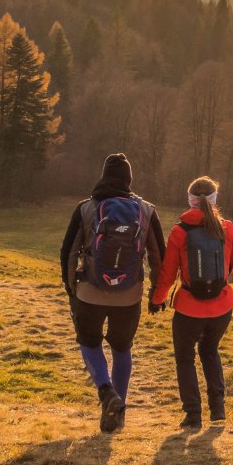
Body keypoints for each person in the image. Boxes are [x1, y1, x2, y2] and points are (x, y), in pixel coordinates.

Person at [60, 153, 164, 434]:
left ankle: (107, 394)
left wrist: (72, 288)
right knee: (122, 349)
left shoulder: (85, 208)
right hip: (129, 295)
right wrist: (157, 294)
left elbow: (68, 251)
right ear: (129, 180)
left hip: (89, 293)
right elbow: (158, 256)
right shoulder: (146, 210)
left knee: (89, 343)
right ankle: (118, 413)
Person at [151, 176, 233, 429]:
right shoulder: (227, 228)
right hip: (221, 308)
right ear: (215, 200)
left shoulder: (180, 231)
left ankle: (193, 415)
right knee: (210, 351)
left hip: (188, 309)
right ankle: (218, 410)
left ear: (190, 201)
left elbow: (168, 272)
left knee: (185, 358)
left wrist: (157, 299)